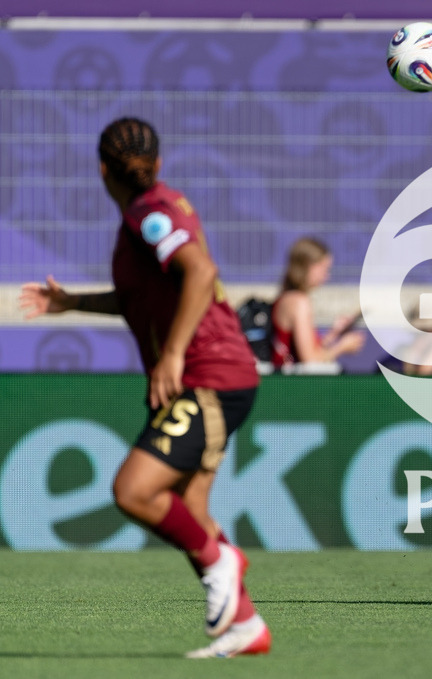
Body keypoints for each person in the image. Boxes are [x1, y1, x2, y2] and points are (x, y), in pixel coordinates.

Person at [18, 118, 271, 657]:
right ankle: (245, 627)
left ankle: (222, 563)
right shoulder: (159, 210)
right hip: (220, 375)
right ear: (159, 161)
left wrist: (174, 353)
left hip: (210, 375)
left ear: (102, 169)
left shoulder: (149, 212)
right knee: (190, 509)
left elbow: (200, 272)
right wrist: (73, 303)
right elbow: (142, 296)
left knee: (133, 490)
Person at [270, 237, 366, 371]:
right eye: (324, 269)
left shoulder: (287, 298)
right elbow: (311, 361)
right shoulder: (299, 302)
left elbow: (306, 350)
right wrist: (342, 346)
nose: (327, 276)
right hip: (292, 387)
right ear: (308, 266)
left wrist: (333, 334)